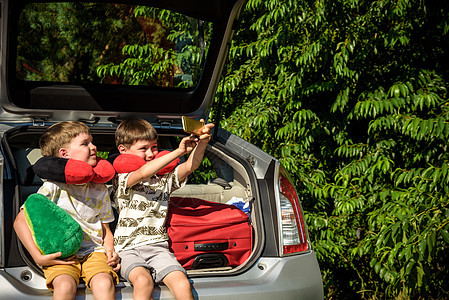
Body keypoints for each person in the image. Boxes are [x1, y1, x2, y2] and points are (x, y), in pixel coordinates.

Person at [13, 121, 120, 300]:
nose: (93, 147)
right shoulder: (53, 187)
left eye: (92, 142)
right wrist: (38, 257)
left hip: (93, 251)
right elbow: (19, 221)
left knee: (104, 282)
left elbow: (106, 230)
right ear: (64, 154)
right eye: (85, 143)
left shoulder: (99, 189)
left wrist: (110, 250)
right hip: (62, 254)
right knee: (64, 285)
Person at [113, 117, 214, 300]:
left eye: (154, 147)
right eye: (143, 149)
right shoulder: (122, 179)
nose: (151, 154)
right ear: (123, 150)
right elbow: (144, 172)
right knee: (143, 282)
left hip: (158, 247)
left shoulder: (163, 181)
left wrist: (202, 142)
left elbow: (190, 166)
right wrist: (179, 150)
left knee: (182, 283)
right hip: (127, 249)